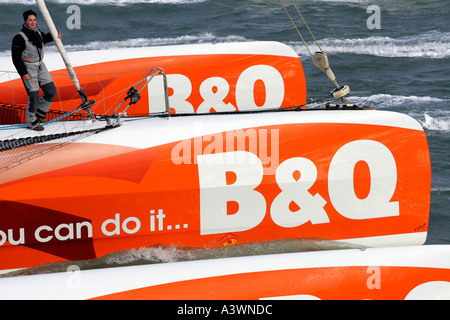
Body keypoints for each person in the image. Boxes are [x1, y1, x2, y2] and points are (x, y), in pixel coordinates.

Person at [11, 10, 61, 131]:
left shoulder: (37, 32)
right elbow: (16, 58)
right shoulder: (19, 38)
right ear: (25, 21)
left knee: (51, 90)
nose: (32, 22)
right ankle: (31, 122)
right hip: (28, 69)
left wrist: (55, 36)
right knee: (34, 96)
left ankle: (40, 112)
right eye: (30, 20)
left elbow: (44, 39)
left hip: (40, 66)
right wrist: (23, 73)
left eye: (34, 20)